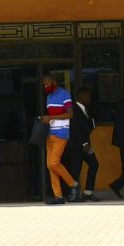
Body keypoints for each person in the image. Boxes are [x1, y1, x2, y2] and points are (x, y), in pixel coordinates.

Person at [38, 73, 78, 205]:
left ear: (54, 82)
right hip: (50, 133)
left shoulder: (65, 94)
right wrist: (46, 118)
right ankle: (58, 196)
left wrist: (51, 118)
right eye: (44, 84)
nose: (45, 86)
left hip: (62, 133)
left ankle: (73, 184)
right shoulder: (49, 96)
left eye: (47, 83)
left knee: (54, 163)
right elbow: (52, 115)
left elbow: (70, 114)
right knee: (50, 166)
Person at [61, 89, 101, 201]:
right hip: (76, 145)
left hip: (85, 145)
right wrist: (84, 143)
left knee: (94, 164)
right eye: (87, 97)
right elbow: (75, 129)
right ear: (81, 97)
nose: (89, 99)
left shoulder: (86, 109)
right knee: (75, 169)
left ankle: (88, 192)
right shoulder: (74, 109)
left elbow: (87, 126)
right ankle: (73, 194)